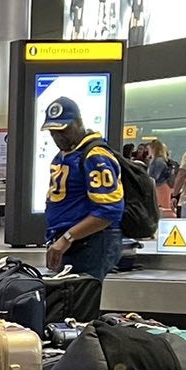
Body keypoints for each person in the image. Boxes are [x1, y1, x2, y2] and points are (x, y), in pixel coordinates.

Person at [39, 96, 125, 281]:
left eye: (64, 130)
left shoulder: (95, 156)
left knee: (81, 302)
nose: (58, 136)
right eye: (53, 132)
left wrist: (67, 238)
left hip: (90, 243)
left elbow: (108, 212)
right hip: (73, 243)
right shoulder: (65, 154)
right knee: (70, 303)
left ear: (78, 123)